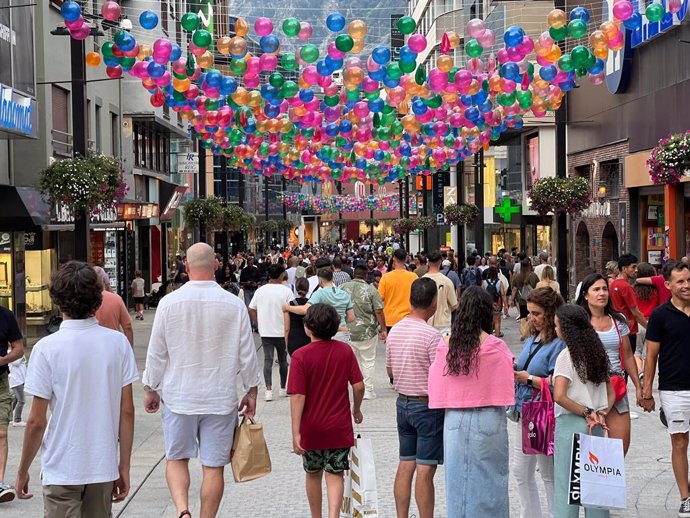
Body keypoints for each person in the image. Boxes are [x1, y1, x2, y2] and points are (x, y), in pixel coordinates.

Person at [142, 243, 261, 518]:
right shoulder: (234, 305)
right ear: (216, 265)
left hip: (179, 396)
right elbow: (247, 353)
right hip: (219, 397)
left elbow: (157, 352)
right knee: (213, 466)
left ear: (186, 266)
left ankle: (183, 510)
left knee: (176, 458)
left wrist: (151, 387)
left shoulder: (168, 303)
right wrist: (251, 390)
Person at [15, 261, 137, 516]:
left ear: (58, 300)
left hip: (62, 464)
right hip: (101, 465)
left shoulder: (46, 349)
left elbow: (37, 421)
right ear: (98, 298)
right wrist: (123, 465)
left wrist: (23, 468)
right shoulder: (118, 344)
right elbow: (127, 411)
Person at [428, 286, 514, 517]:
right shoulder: (495, 346)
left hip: (455, 418)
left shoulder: (445, 345)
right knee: (492, 480)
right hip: (489, 416)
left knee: (457, 483)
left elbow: (435, 381)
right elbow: (508, 377)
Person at [288, 303, 364, 518]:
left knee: (313, 474)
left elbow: (297, 396)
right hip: (338, 427)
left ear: (307, 327)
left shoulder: (300, 356)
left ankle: (316, 516)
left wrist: (296, 432)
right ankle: (333, 515)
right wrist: (356, 409)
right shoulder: (344, 351)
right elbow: (358, 386)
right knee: (335, 474)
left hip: (311, 427)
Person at [386, 278, 444, 518]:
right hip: (426, 406)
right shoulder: (433, 336)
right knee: (425, 469)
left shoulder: (396, 329)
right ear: (433, 303)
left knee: (405, 463)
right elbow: (440, 375)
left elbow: (389, 371)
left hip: (403, 403)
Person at [552, 304, 614, 518]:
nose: (556, 329)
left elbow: (559, 395)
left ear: (566, 329)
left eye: (557, 325)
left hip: (573, 423)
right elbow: (611, 391)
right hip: (596, 425)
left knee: (567, 486)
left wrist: (585, 410)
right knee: (595, 488)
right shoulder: (597, 353)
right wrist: (601, 412)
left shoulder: (566, 356)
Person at [511, 287, 565, 518]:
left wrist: (528, 378)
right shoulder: (533, 337)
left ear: (551, 314)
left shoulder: (558, 344)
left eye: (536, 314)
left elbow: (557, 384)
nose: (531, 318)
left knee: (547, 473)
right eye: (529, 313)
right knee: (520, 471)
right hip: (526, 409)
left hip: (542, 411)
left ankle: (556, 514)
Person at [641, 261, 690, 516]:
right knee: (680, 442)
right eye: (680, 282)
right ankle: (686, 497)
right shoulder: (660, 315)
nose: (686, 285)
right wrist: (646, 392)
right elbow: (651, 355)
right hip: (674, 389)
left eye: (689, 280)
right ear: (668, 285)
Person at [577, 273, 642, 454]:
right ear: (585, 294)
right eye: (596, 289)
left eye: (604, 289)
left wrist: (638, 386)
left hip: (616, 386)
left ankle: (612, 482)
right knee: (590, 450)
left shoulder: (618, 320)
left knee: (620, 448)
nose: (602, 293)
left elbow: (628, 356)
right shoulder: (579, 323)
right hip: (588, 387)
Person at [249, 263, 295, 401]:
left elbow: (251, 308)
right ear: (282, 275)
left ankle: (268, 390)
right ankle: (282, 388)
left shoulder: (260, 291)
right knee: (283, 360)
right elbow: (292, 309)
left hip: (266, 331)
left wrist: (258, 324)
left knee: (268, 360)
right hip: (282, 330)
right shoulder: (286, 291)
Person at [341, 265, 387, 400]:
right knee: (368, 361)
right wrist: (383, 328)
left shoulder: (342, 288)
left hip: (346, 330)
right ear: (366, 276)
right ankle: (368, 390)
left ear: (353, 274)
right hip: (367, 331)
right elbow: (378, 310)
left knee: (347, 362)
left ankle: (346, 388)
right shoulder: (371, 290)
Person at [286, 268, 355, 342]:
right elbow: (351, 317)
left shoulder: (319, 293)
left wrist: (287, 307)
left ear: (320, 280)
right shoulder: (344, 294)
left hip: (327, 334)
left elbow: (304, 310)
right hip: (343, 333)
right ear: (332, 278)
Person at [0, 304, 24, 503]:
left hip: (0, 382)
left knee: (1, 433)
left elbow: (18, 349)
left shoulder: (5, 315)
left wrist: (3, 360)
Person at [609, 253, 648, 356]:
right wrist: (648, 327)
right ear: (624, 268)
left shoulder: (613, 284)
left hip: (616, 329)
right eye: (633, 267)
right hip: (629, 330)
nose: (636, 270)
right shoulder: (626, 287)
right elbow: (635, 312)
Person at [379, 248, 419, 332]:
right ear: (406, 258)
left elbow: (380, 298)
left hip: (390, 319)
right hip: (409, 319)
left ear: (393, 258)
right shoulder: (413, 276)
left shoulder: (386, 277)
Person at [94, 266, 134, 347]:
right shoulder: (116, 299)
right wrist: (130, 349)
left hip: (92, 345)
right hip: (114, 345)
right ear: (103, 279)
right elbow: (127, 326)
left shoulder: (84, 300)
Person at [633, 262, 660, 376]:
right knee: (648, 353)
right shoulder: (656, 291)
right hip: (651, 323)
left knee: (636, 351)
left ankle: (640, 371)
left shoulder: (633, 290)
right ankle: (648, 375)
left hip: (638, 322)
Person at [423, 251, 458, 336]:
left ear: (428, 262)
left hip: (426, 323)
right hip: (443, 324)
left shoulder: (422, 280)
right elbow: (454, 305)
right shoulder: (447, 281)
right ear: (440, 262)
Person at [482, 259, 509, 338]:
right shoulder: (499, 282)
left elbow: (482, 294)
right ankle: (496, 337)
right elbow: (503, 294)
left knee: (488, 321)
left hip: (487, 304)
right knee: (497, 321)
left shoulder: (484, 282)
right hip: (496, 303)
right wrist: (506, 305)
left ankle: (489, 337)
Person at [285, 278, 311, 357]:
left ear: (296, 289)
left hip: (294, 338)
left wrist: (286, 345)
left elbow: (286, 329)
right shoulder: (311, 303)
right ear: (307, 289)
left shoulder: (289, 305)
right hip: (308, 338)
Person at [8, 354, 27, 427]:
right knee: (21, 401)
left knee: (15, 400)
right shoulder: (10, 352)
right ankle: (17, 420)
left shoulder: (20, 353)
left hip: (20, 380)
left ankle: (8, 418)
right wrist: (20, 353)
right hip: (16, 381)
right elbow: (15, 363)